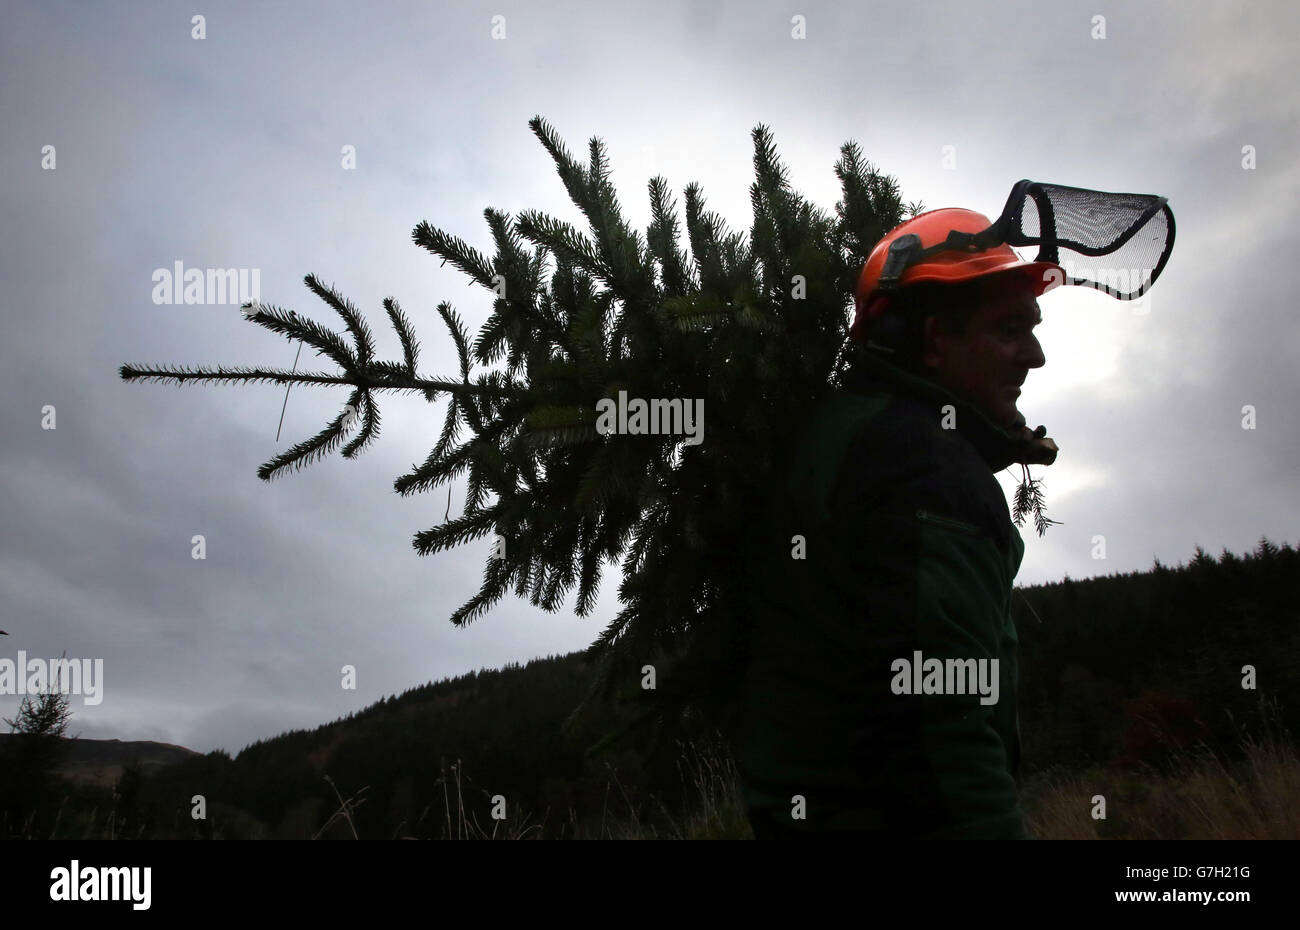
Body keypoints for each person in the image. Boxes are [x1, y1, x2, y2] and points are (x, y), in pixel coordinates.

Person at [738, 207, 1060, 840]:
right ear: (937, 340)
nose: (1036, 356)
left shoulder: (844, 430)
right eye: (1011, 329)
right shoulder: (930, 471)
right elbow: (944, 732)